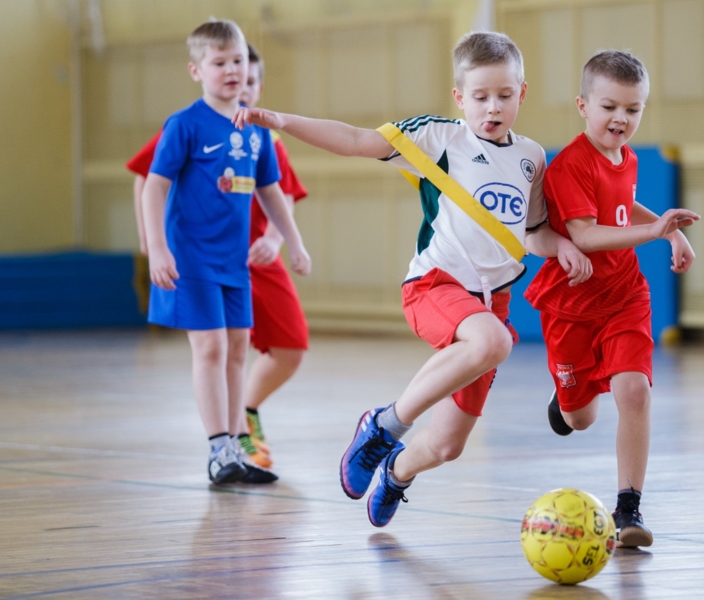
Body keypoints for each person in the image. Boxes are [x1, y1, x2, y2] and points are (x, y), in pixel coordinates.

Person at [234, 31, 592, 526]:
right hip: (435, 285)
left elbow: (532, 234)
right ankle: (382, 426)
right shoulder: (439, 137)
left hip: (492, 302)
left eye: (504, 95)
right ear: (459, 97)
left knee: (447, 445)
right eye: (480, 96)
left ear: (522, 93)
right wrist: (283, 121)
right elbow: (355, 140)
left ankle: (396, 472)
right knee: (494, 341)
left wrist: (563, 245)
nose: (492, 107)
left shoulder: (531, 157)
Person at [524, 50, 700, 547]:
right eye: (609, 107)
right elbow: (584, 234)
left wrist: (669, 232)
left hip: (624, 296)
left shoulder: (628, 157)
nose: (621, 118)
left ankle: (628, 510)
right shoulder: (568, 166)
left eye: (633, 109)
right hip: (572, 304)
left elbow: (622, 206)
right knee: (580, 419)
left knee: (635, 392)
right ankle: (566, 400)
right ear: (583, 106)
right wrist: (655, 232)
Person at [141, 19, 311, 485]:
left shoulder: (256, 129)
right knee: (212, 347)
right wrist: (157, 248)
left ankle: (236, 446)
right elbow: (153, 187)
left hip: (235, 262)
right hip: (192, 258)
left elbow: (272, 192)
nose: (232, 70)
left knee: (238, 348)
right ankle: (218, 449)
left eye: (237, 60)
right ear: (196, 70)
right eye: (220, 63)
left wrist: (292, 242)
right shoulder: (184, 124)